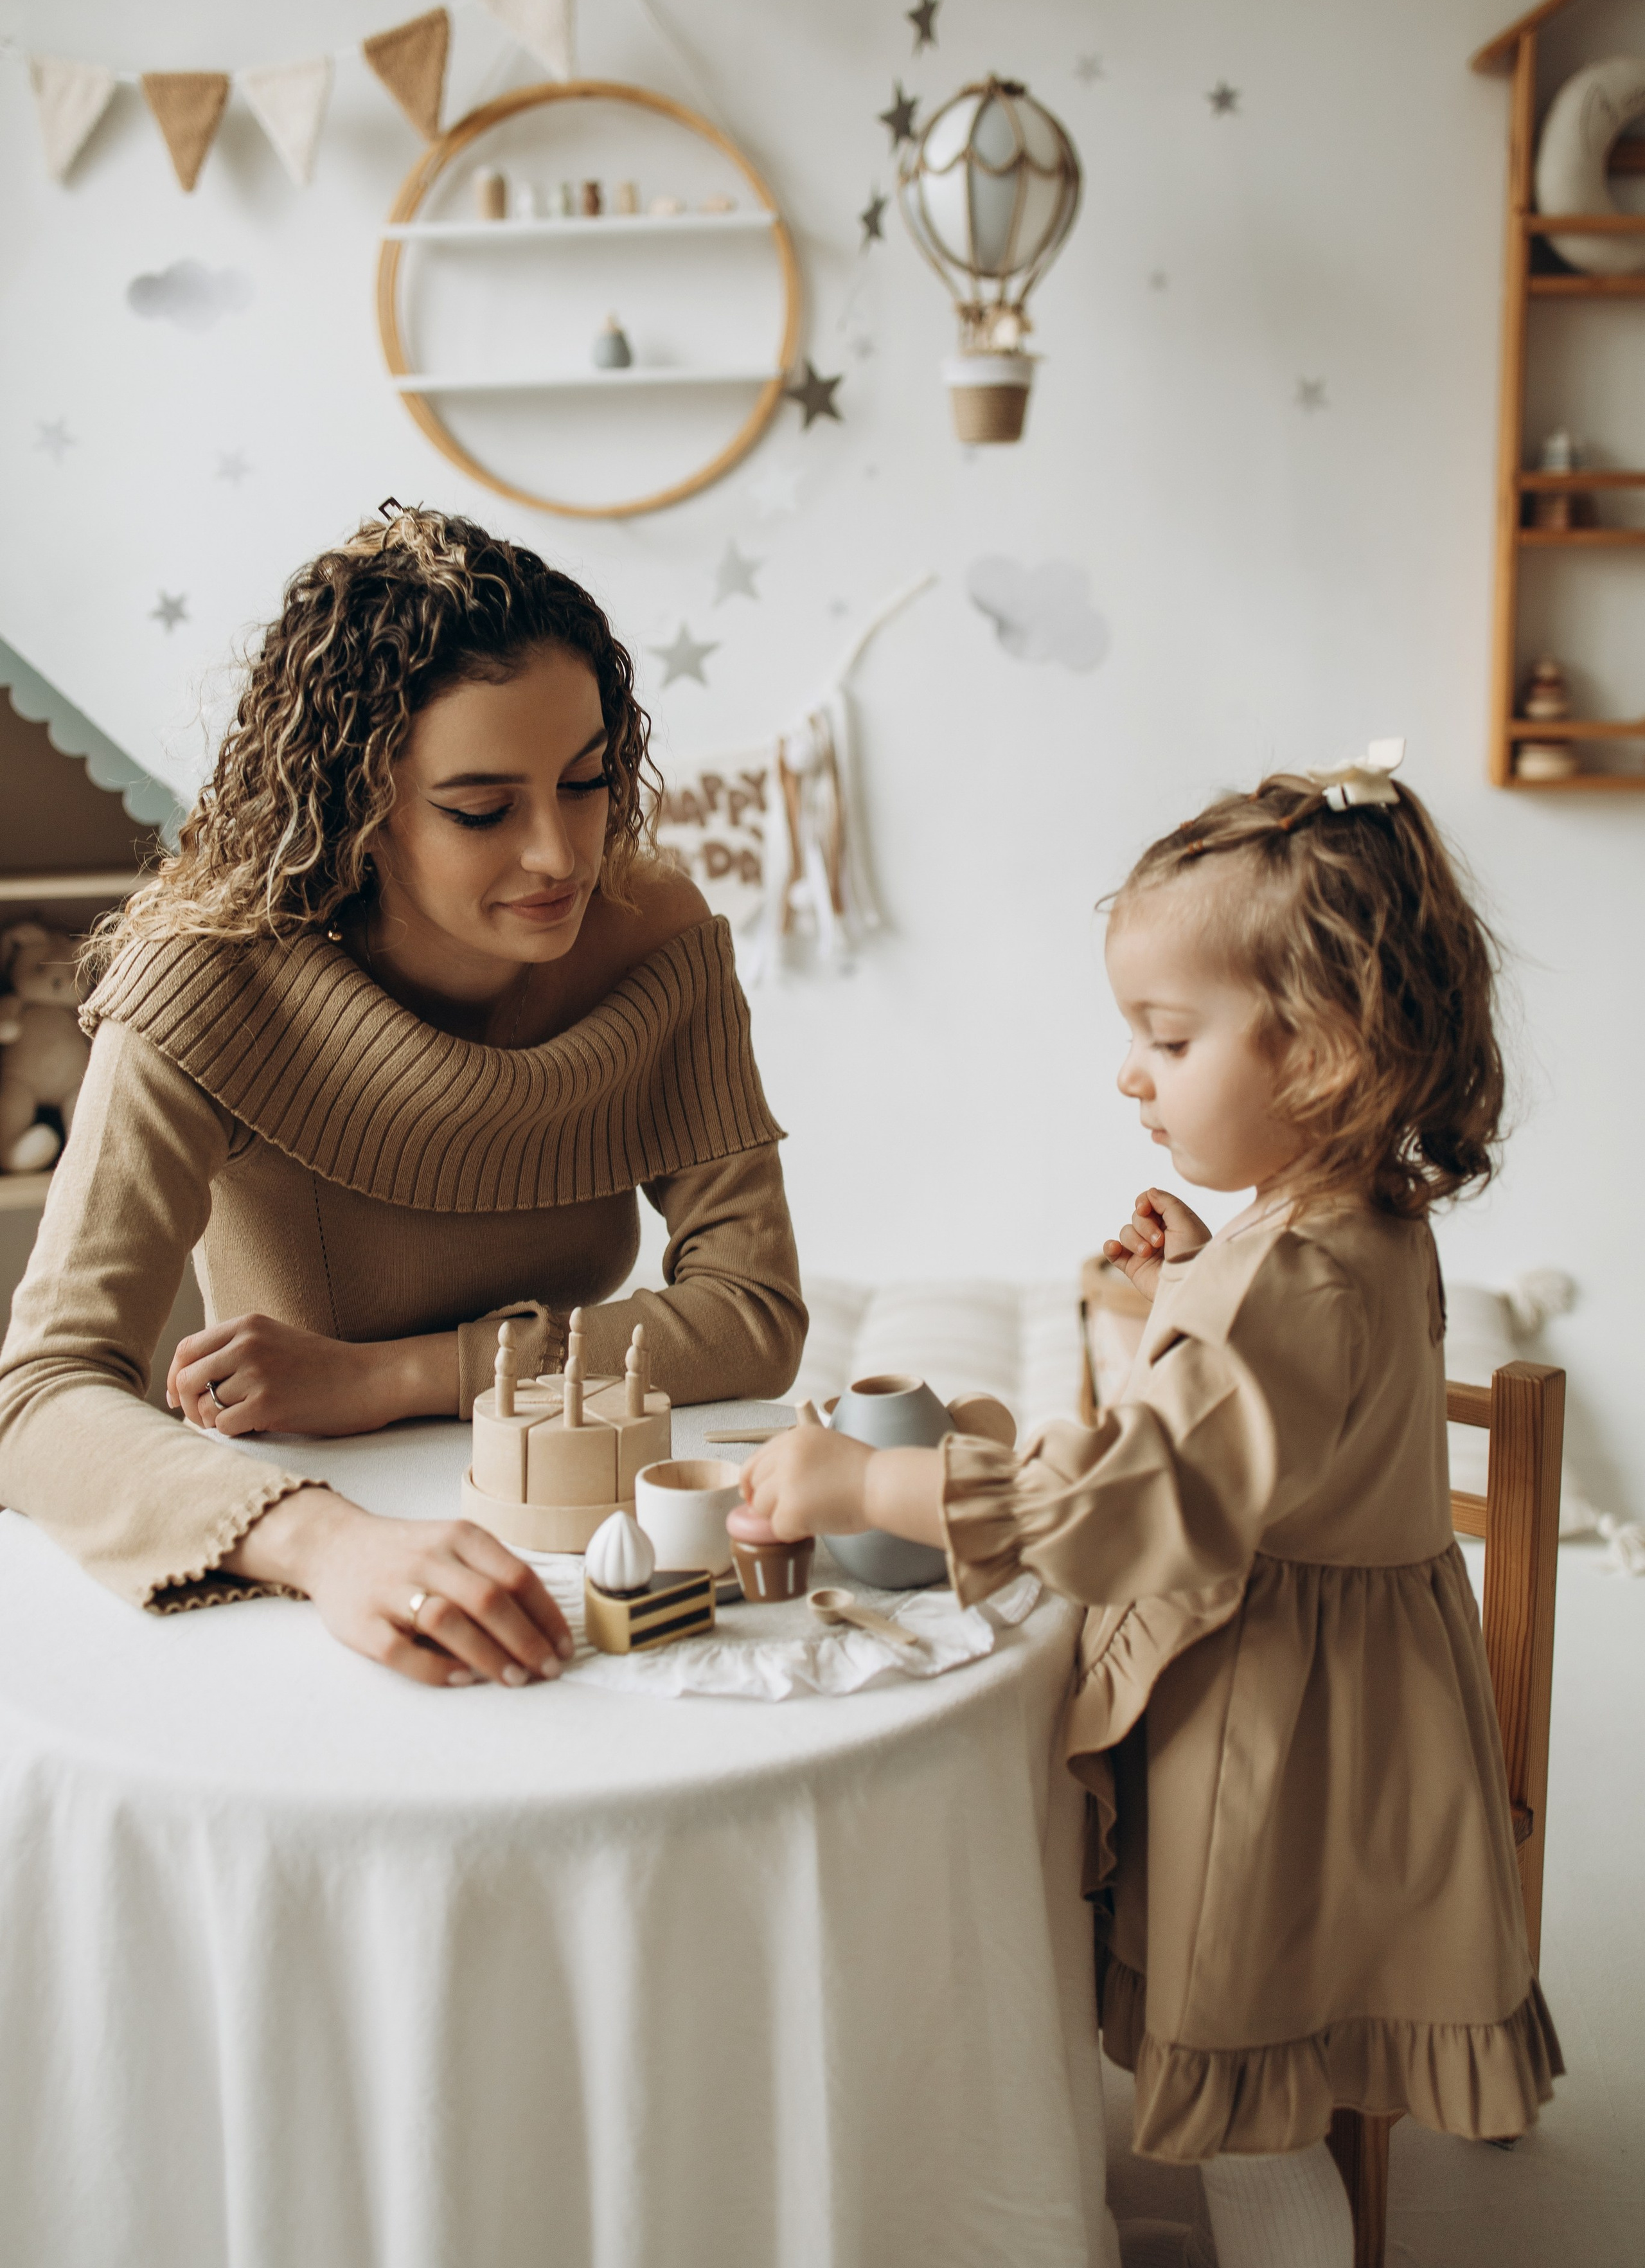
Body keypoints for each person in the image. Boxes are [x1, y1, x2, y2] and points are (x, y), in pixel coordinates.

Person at [739, 746, 1560, 2268]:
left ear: (1319, 1053)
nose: (1128, 1073)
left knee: (1239, 2126)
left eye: (1165, 1038)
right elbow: (1286, 1416)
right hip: (1374, 1694)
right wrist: (1192, 1272)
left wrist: (869, 1483)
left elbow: (1130, 1505)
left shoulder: (1292, 1278)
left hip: (1289, 1742)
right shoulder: (1356, 1222)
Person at [0, 507, 805, 1690]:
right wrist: (329, 1543)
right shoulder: (208, 977)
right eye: (483, 809)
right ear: (357, 805)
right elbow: (42, 1394)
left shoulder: (657, 940)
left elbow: (754, 1316)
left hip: (573, 1505)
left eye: (587, 783)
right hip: (307, 1543)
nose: (561, 855)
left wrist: (396, 1377)